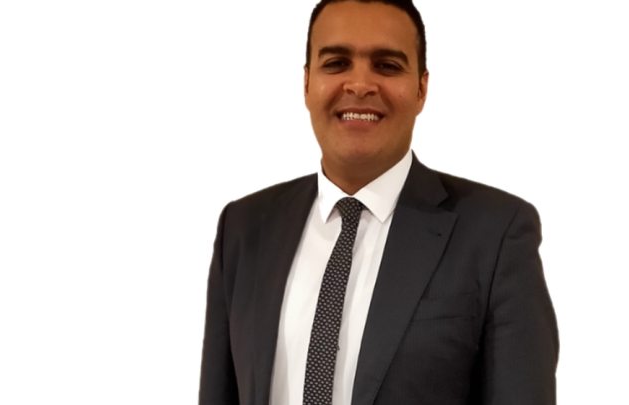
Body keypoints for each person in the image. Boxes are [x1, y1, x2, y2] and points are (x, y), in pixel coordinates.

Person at [199, 0, 559, 404]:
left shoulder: (496, 234)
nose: (360, 85)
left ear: (421, 89)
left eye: (387, 65)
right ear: (306, 83)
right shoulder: (244, 228)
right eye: (336, 63)